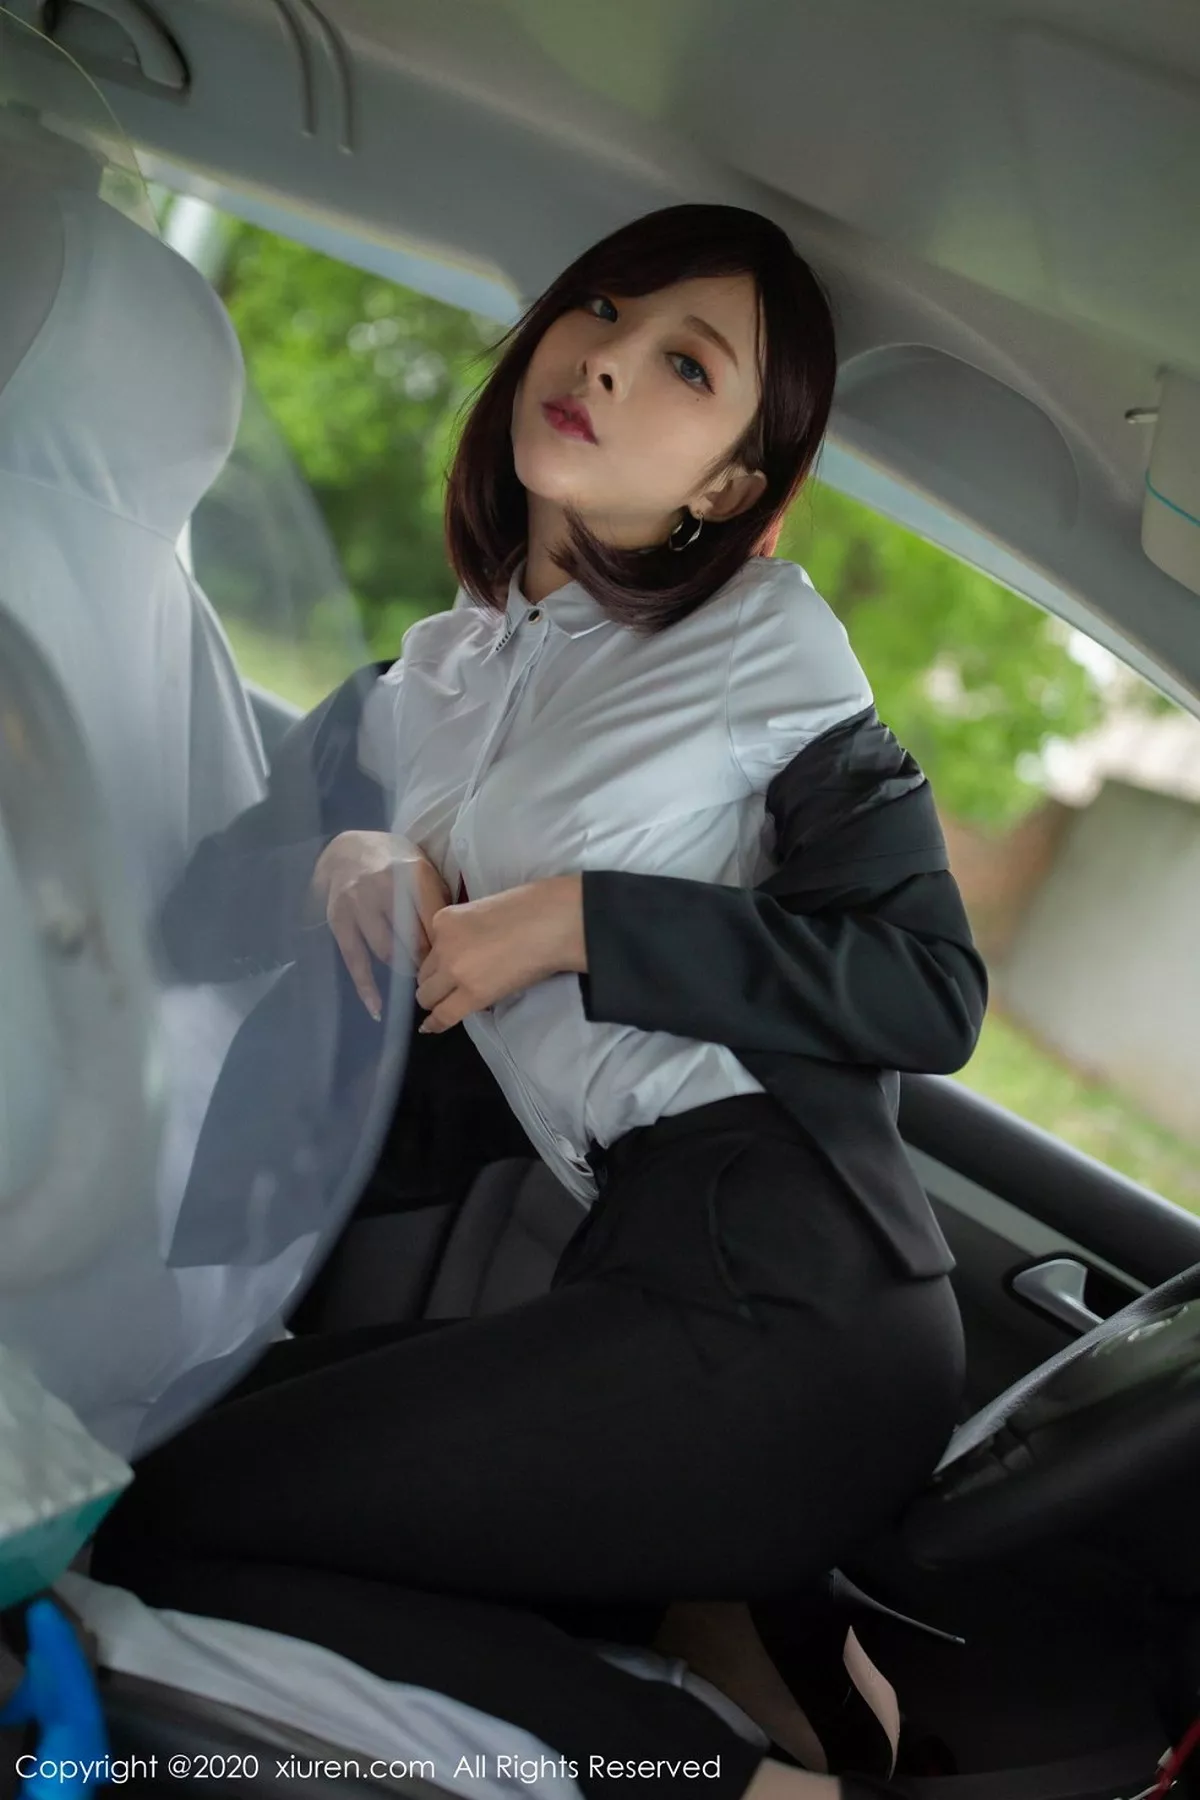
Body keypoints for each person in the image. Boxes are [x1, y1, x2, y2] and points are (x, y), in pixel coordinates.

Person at [91, 203, 987, 1797]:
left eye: (687, 366)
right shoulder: (428, 679)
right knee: (145, 1480)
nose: (609, 361)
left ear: (727, 488)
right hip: (640, 1262)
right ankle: (718, 1629)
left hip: (797, 1299)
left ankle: (731, 1779)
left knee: (168, 1522)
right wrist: (348, 858)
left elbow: (930, 988)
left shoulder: (762, 640)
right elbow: (198, 916)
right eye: (604, 311)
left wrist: (581, 921)